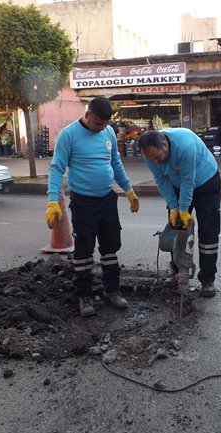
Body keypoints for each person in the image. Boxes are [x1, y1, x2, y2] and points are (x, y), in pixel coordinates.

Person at [45, 96, 140, 317]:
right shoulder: (68, 135)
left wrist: (128, 189)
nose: (102, 128)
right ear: (87, 115)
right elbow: (57, 168)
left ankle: (112, 291)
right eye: (98, 123)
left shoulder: (107, 132)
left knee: (110, 247)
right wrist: (52, 201)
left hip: (107, 198)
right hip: (83, 201)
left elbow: (115, 162)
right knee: (84, 250)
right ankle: (84, 295)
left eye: (105, 124)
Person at [138, 128, 221, 298]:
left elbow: (188, 180)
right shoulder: (150, 155)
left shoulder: (185, 146)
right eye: (151, 159)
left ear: (165, 144)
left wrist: (184, 209)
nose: (156, 162)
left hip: (206, 181)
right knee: (176, 229)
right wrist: (174, 208)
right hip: (177, 184)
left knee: (208, 231)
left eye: (158, 157)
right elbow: (161, 180)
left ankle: (207, 279)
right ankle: (178, 273)